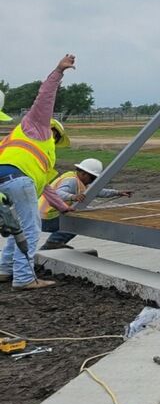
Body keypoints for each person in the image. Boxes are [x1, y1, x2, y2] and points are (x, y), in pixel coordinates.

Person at [0, 55, 77, 289]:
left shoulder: (25, 147)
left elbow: (45, 188)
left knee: (18, 227)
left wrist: (63, 207)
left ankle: (5, 269)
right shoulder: (37, 127)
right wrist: (58, 72)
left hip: (8, 181)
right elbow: (44, 99)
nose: (53, 138)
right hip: (17, 180)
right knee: (32, 228)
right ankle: (24, 278)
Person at [39, 158, 133, 250]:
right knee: (79, 222)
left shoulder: (80, 181)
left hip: (46, 217)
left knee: (77, 219)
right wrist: (73, 197)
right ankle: (54, 242)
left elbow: (97, 191)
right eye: (92, 178)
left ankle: (54, 243)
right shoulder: (72, 181)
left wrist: (117, 192)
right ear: (83, 173)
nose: (93, 181)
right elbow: (58, 194)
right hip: (48, 218)